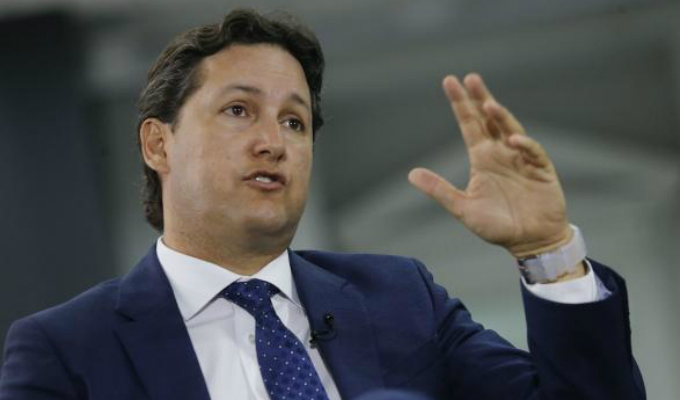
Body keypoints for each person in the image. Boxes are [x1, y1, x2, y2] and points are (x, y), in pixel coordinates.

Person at [0, 8, 645, 400]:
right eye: (238, 110)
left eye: (295, 122)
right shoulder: (66, 348)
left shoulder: (402, 299)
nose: (273, 142)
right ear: (157, 144)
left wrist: (547, 253)